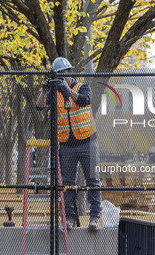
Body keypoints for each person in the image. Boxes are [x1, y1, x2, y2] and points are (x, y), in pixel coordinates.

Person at [36, 57, 101, 231]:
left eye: (62, 74)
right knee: (68, 184)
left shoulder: (82, 87)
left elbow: (84, 101)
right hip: (66, 145)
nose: (60, 78)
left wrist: (67, 91)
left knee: (93, 181)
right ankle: (70, 218)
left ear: (69, 73)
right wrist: (44, 90)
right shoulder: (54, 93)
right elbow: (39, 107)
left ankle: (94, 217)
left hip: (88, 142)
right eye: (57, 75)